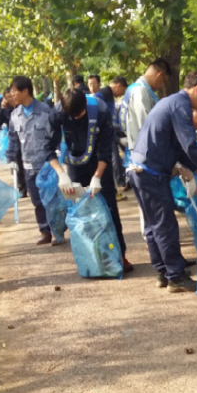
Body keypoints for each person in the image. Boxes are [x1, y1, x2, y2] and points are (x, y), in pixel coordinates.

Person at [129, 71, 197, 292]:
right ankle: (175, 276)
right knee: (165, 225)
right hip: (150, 171)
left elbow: (179, 147)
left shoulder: (170, 102)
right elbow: (189, 145)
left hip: (140, 168)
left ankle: (163, 271)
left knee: (153, 225)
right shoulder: (181, 105)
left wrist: (195, 169)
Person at [47, 88, 133, 272]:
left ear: (85, 105)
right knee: (82, 214)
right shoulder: (57, 113)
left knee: (109, 210)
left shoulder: (101, 111)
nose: (77, 118)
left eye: (80, 114)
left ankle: (119, 256)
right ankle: (93, 260)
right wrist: (61, 174)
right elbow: (47, 148)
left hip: (99, 164)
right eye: (73, 116)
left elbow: (105, 150)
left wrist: (97, 178)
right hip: (74, 166)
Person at [9, 76, 61, 245]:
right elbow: (13, 139)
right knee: (37, 200)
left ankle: (57, 231)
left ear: (25, 91)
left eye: (14, 91)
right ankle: (44, 230)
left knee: (51, 199)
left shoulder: (45, 111)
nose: (12, 94)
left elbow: (55, 134)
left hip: (46, 163)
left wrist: (59, 151)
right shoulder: (15, 115)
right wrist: (11, 158)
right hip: (28, 165)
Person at [120, 58, 172, 168]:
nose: (161, 86)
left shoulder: (133, 88)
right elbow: (147, 125)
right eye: (163, 82)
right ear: (159, 75)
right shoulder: (141, 91)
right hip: (144, 153)